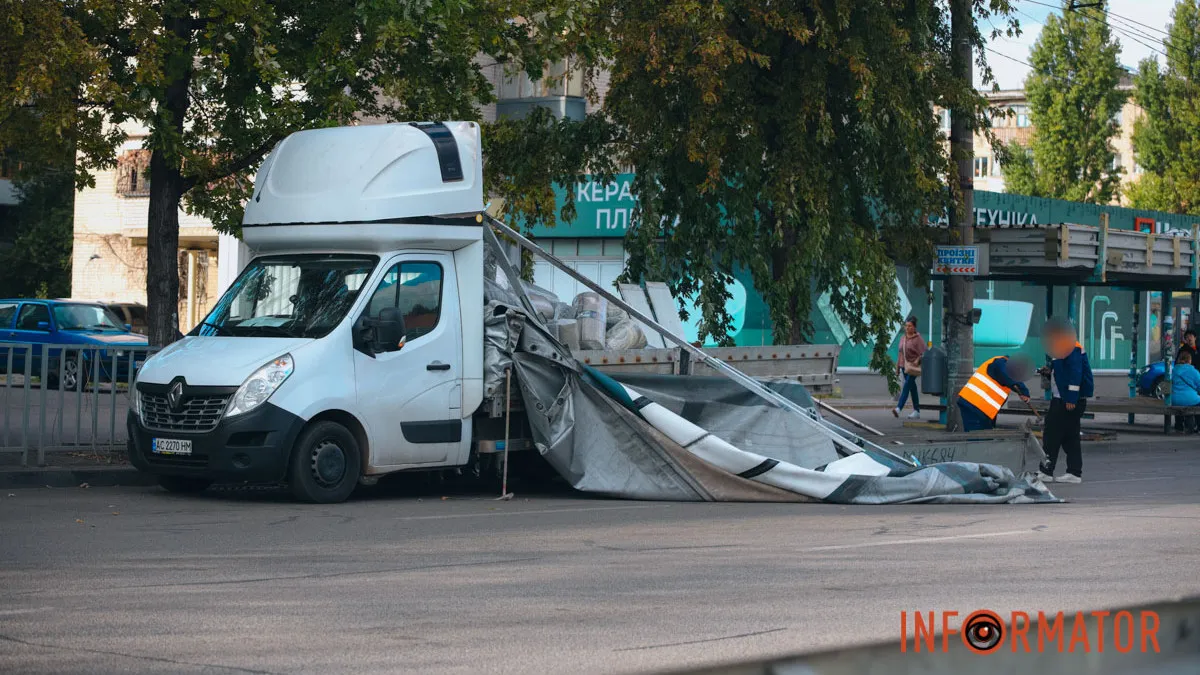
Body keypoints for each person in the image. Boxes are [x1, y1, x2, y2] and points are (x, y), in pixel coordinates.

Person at [1038, 318, 1094, 484]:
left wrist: (1071, 398)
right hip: (1064, 398)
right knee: (1070, 437)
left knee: (1052, 434)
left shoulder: (1070, 347)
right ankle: (1074, 472)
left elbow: (1075, 374)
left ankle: (1046, 471)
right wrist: (1049, 372)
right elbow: (1064, 373)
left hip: (1066, 400)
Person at [955, 354, 1034, 432]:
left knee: (983, 440)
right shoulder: (1001, 362)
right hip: (974, 406)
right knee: (978, 440)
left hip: (980, 409)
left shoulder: (1002, 365)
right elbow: (1008, 376)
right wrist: (1023, 391)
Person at [894, 316, 926, 419]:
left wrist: (918, 360)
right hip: (904, 366)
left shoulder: (918, 339)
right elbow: (900, 353)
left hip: (913, 367)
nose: (907, 328)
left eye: (910, 326)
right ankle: (916, 411)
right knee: (912, 388)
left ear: (914, 327)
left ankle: (898, 408)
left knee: (907, 385)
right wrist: (897, 367)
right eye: (906, 326)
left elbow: (924, 352)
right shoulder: (902, 338)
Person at [1171, 351, 1200, 433]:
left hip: (1175, 399)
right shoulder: (1194, 371)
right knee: (1197, 403)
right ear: (1189, 360)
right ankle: (1199, 426)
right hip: (1191, 399)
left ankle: (1179, 427)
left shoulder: (1174, 371)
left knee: (1178, 401)